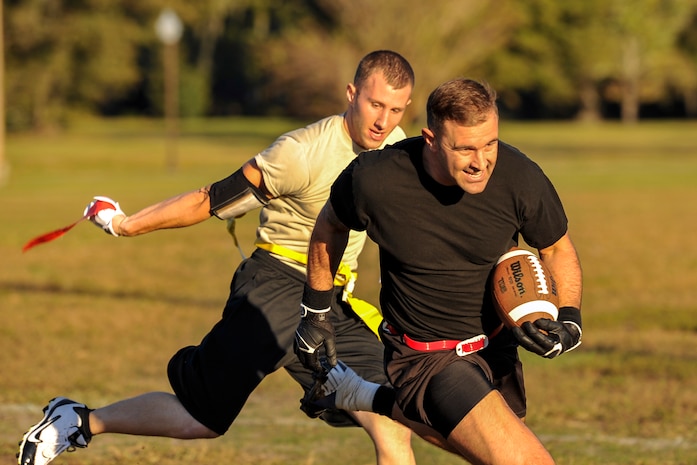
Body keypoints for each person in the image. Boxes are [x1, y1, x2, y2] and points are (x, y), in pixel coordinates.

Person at [18, 50, 418, 465]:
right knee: (202, 419)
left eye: (394, 109)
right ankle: (82, 421)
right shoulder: (301, 152)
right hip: (276, 287)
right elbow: (209, 199)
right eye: (374, 104)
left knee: (388, 411)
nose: (382, 121)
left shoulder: (396, 148)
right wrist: (124, 224)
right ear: (351, 93)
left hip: (331, 299)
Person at [294, 78, 583, 465]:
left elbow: (556, 247)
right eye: (465, 148)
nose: (481, 162)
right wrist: (315, 313)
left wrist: (570, 317)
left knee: (486, 452)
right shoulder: (376, 179)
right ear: (431, 138)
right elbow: (330, 226)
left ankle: (362, 394)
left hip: (496, 347)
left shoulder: (518, 175)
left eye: (490, 144)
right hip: (426, 356)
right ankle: (369, 394)